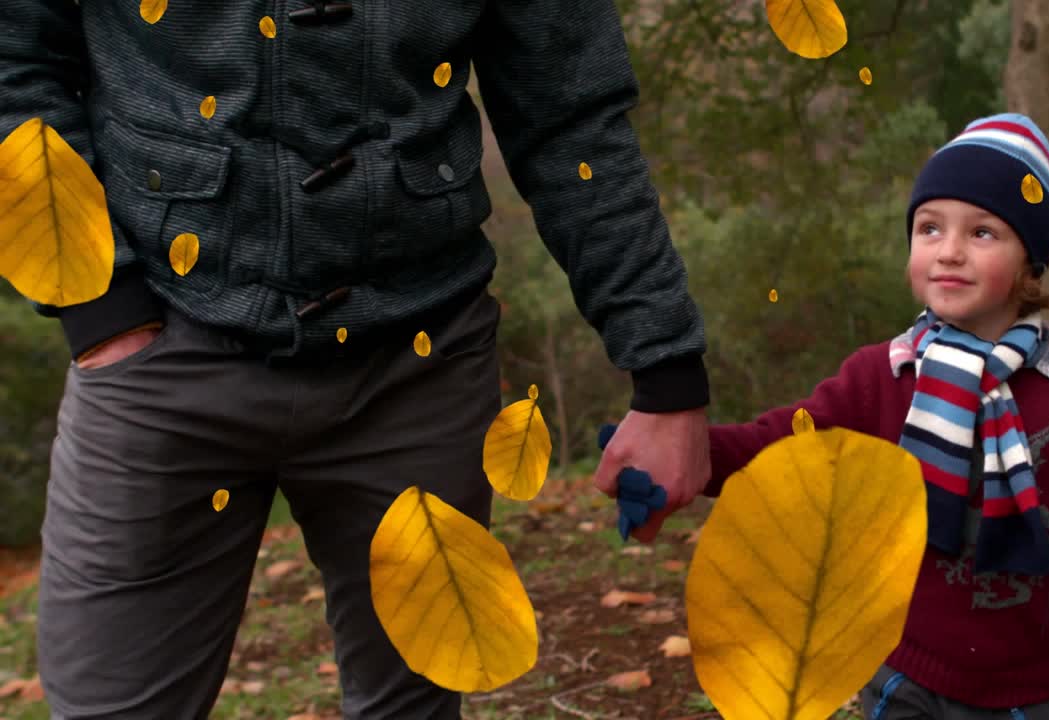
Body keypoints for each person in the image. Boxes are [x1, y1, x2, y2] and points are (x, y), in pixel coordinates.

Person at [0, 2, 711, 718]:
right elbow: (13, 60)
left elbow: (572, 117)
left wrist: (667, 374)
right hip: (158, 356)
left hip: (418, 370)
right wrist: (101, 315)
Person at [702, 114, 1049, 720]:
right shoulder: (882, 375)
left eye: (983, 232)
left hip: (1025, 688)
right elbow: (789, 444)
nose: (949, 252)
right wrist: (692, 456)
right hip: (899, 668)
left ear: (1031, 263)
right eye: (929, 228)